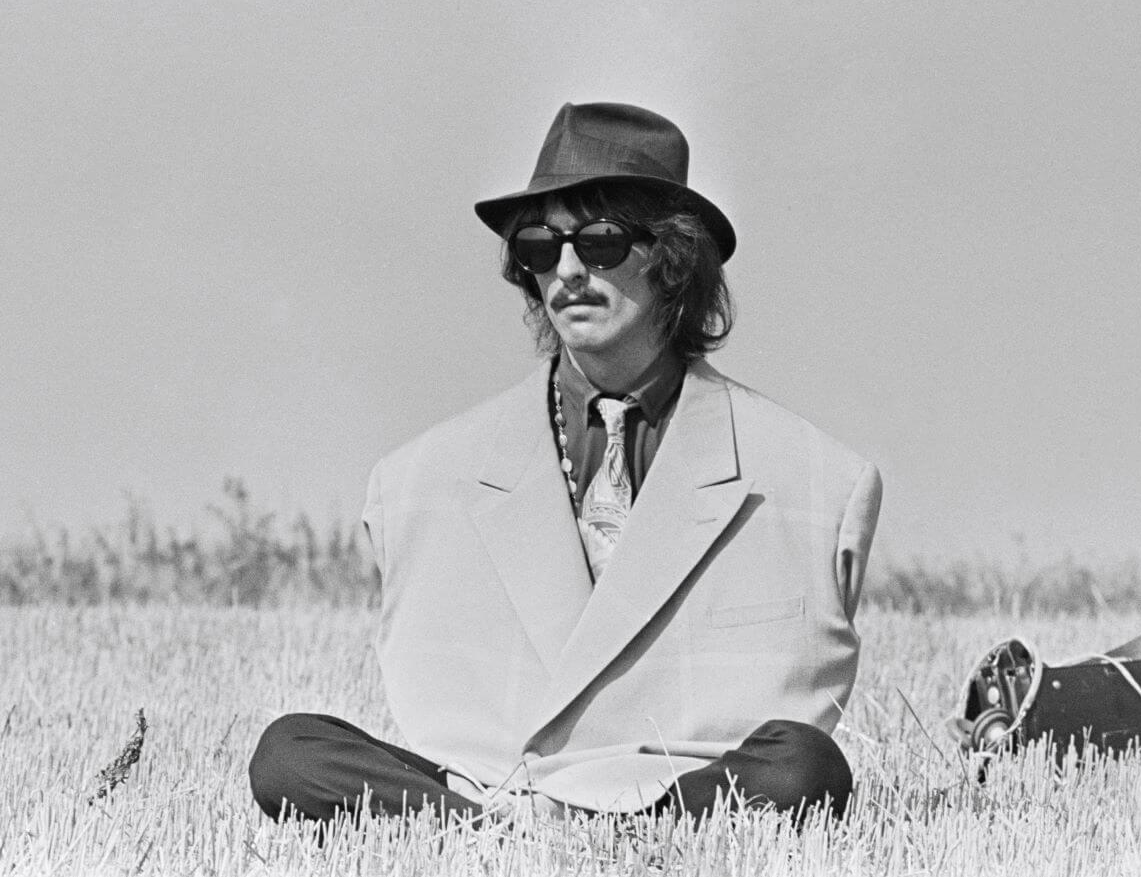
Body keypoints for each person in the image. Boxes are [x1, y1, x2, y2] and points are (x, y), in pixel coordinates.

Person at [248, 102, 883, 826]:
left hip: (666, 793)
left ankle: (575, 834)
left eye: (603, 241)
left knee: (806, 767)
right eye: (541, 246)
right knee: (289, 752)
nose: (569, 270)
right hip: (483, 790)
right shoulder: (413, 479)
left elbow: (791, 738)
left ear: (675, 257)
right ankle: (508, 832)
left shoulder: (818, 477)